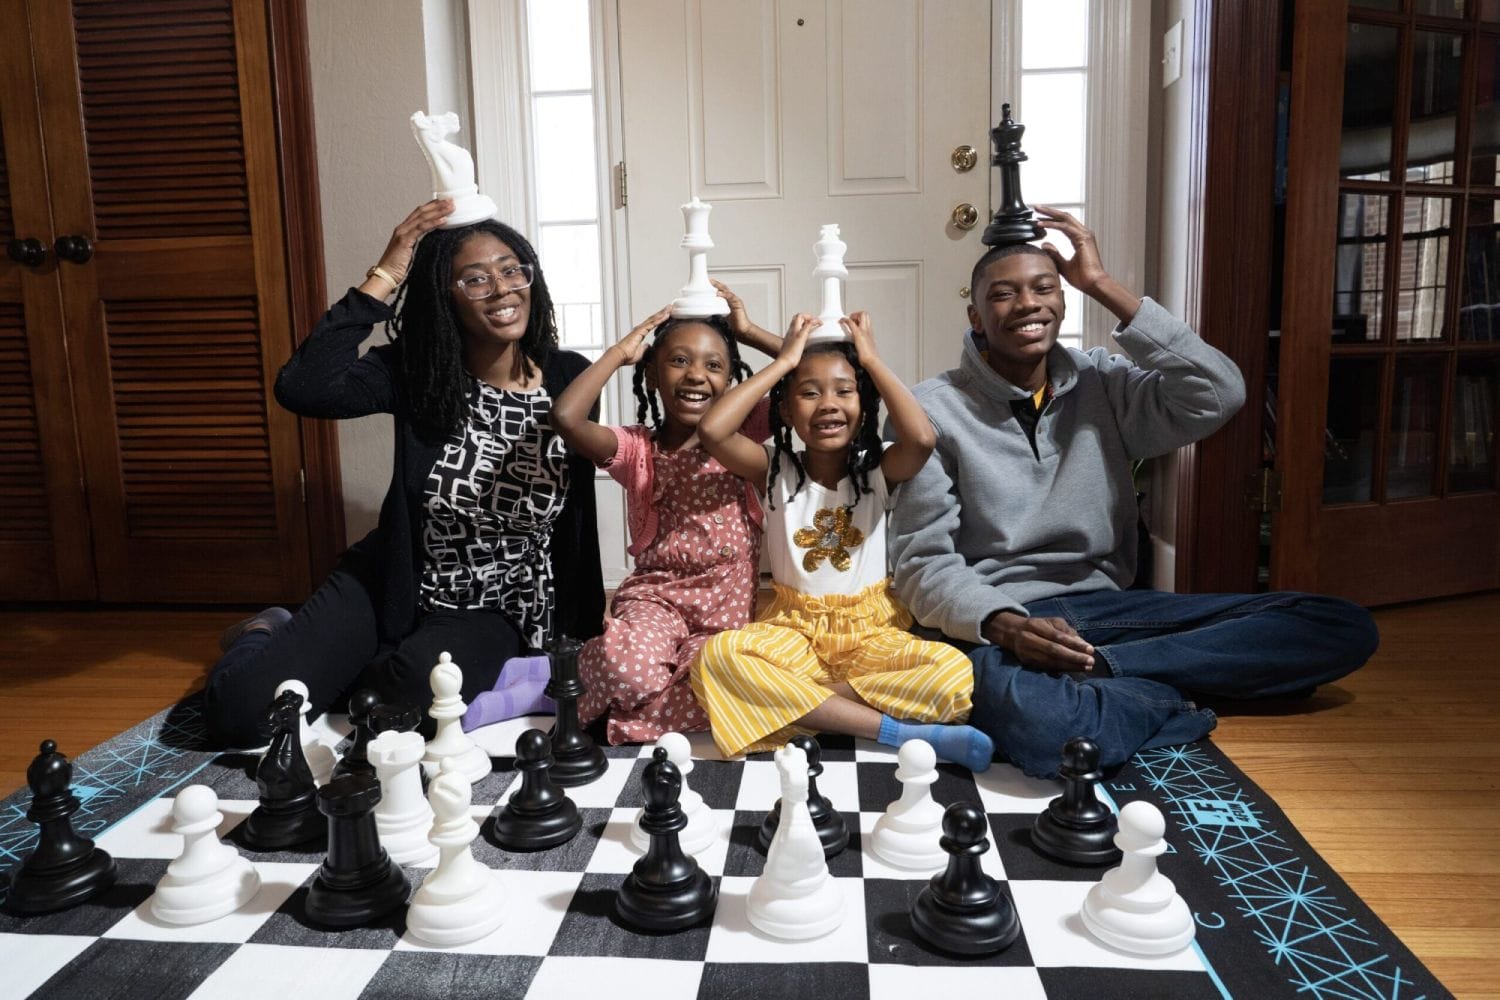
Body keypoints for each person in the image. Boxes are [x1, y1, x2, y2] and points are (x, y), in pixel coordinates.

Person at [889, 207, 1378, 777]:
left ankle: (1106, 674)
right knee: (1047, 733)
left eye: (1044, 288)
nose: (1027, 303)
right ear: (976, 315)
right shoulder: (928, 410)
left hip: (1110, 611)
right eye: (1004, 294)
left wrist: (1102, 284)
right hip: (1003, 619)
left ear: (1064, 300)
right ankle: (1167, 692)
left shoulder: (1105, 383)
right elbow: (921, 562)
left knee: (1340, 626)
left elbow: (1218, 393)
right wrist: (1007, 626)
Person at [203, 199, 604, 747]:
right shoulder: (415, 371)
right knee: (243, 714)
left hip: (493, 602)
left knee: (408, 699)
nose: (503, 288)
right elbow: (304, 387)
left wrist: (579, 630)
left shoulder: (570, 377)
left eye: (512, 269)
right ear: (447, 297)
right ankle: (265, 630)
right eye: (475, 280)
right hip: (393, 578)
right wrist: (386, 274)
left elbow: (576, 519)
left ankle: (370, 657)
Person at [691, 312, 994, 773]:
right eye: (809, 393)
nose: (828, 404)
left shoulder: (878, 471)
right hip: (794, 632)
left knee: (954, 673)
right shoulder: (773, 468)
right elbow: (713, 431)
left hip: (871, 632)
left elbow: (922, 436)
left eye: (844, 390)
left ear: (865, 403)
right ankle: (894, 730)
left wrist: (871, 360)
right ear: (786, 411)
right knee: (716, 659)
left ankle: (803, 707)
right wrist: (784, 360)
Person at [552, 282, 782, 744]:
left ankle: (601, 702)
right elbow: (568, 418)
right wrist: (621, 351)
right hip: (655, 603)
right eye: (679, 361)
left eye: (714, 365)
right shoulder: (638, 449)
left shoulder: (747, 436)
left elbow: (810, 375)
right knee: (630, 670)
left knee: (729, 683)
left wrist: (751, 332)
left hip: (724, 614)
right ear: (654, 375)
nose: (696, 375)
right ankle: (597, 676)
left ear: (733, 381)